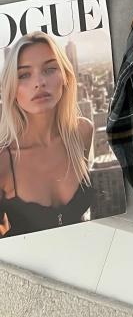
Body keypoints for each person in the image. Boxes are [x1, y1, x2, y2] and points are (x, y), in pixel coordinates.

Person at [0, 31, 95, 237]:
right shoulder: (3, 161)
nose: (40, 82)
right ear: (11, 89)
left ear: (66, 78)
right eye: (24, 75)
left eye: (50, 69)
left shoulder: (82, 132)